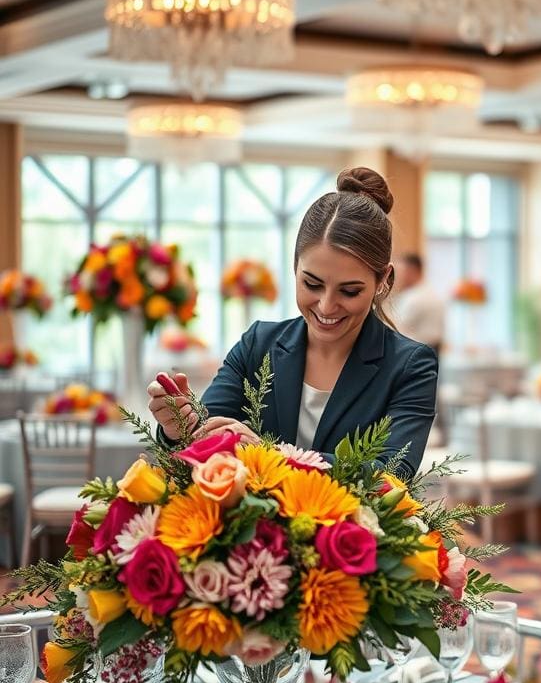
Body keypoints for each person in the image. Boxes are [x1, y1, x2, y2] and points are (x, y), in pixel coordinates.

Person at [147, 167, 438, 479]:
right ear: (295, 266)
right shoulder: (258, 345)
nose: (326, 306)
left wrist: (271, 454)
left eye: (349, 291)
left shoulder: (410, 367)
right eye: (312, 284)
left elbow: (391, 474)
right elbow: (208, 437)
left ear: (383, 281)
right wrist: (179, 428)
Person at [392, 252, 446, 354]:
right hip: (431, 350)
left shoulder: (413, 298)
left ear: (412, 271)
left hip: (415, 352)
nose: (397, 277)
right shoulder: (431, 292)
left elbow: (397, 330)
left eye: (401, 271)